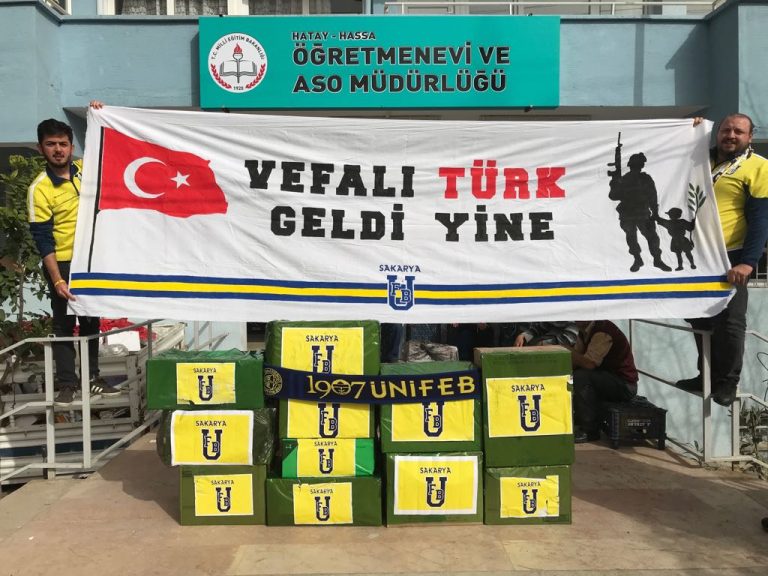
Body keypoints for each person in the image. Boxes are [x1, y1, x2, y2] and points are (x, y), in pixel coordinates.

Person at [28, 101, 121, 406]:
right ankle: (67, 383)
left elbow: (111, 153)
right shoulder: (40, 188)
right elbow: (43, 239)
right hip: (64, 262)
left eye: (63, 144)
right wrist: (56, 279)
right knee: (64, 324)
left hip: (91, 259)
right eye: (51, 144)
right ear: (41, 148)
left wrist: (100, 115)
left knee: (91, 320)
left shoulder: (85, 170)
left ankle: (93, 378)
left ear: (71, 146)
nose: (58, 150)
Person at [677, 114, 768, 407]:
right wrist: (688, 130)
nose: (731, 135)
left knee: (730, 322)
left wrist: (748, 262)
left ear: (750, 137)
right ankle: (707, 375)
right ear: (716, 134)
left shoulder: (759, 168)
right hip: (696, 254)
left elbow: (761, 220)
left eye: (739, 131)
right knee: (699, 317)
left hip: (731, 256)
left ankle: (728, 382)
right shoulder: (700, 160)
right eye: (726, 130)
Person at [570, 321, 638, 443]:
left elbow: (589, 363)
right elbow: (577, 360)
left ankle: (590, 431)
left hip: (625, 385)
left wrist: (569, 351)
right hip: (608, 379)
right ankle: (579, 420)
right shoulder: (584, 331)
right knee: (575, 375)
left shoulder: (603, 331)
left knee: (581, 376)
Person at [609, 152, 672, 273]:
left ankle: (656, 259)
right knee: (632, 237)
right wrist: (614, 182)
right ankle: (638, 259)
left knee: (650, 237)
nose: (638, 166)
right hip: (628, 213)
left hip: (642, 212)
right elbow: (613, 196)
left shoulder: (645, 179)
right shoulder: (624, 179)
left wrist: (655, 212)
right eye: (637, 164)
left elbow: (652, 196)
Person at [513, 321, 580, 348]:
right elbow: (539, 327)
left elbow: (566, 341)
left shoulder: (575, 322)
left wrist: (543, 344)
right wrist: (523, 336)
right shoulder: (552, 315)